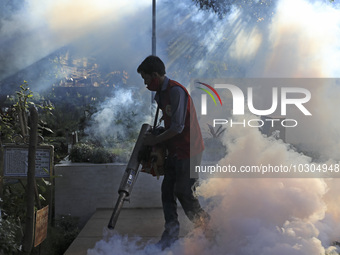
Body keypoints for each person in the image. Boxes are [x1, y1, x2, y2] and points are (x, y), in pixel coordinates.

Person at [137, 55, 210, 250]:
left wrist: (154, 140)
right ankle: (170, 235)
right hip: (175, 150)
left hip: (190, 150)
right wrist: (157, 135)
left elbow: (177, 127)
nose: (145, 84)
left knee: (184, 192)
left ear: (155, 75)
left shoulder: (176, 91)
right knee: (167, 192)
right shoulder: (161, 94)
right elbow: (168, 123)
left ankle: (208, 231)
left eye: (146, 79)